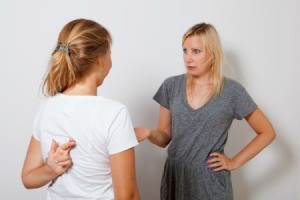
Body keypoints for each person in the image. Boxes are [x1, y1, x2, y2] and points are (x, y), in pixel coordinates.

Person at [135, 23, 276, 200]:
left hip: (210, 182)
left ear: (213, 53)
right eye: (185, 50)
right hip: (175, 176)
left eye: (196, 51)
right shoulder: (171, 86)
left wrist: (234, 161)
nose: (188, 58)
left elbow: (267, 132)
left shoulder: (232, 91)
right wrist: (149, 133)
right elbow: (164, 136)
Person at [22, 19, 140, 200]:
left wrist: (50, 169)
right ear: (100, 59)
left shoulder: (47, 108)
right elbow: (128, 196)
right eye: (109, 53)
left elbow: (28, 178)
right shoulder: (115, 113)